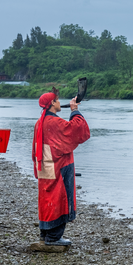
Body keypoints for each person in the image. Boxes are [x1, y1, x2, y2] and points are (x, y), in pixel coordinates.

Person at [33, 88, 91, 246]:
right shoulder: (54, 122)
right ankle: (53, 237)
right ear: (52, 103)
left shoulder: (40, 122)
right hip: (59, 165)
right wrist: (75, 111)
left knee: (47, 198)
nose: (59, 102)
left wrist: (36, 167)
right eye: (57, 100)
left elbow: (35, 148)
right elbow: (77, 130)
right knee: (60, 198)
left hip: (44, 165)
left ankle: (45, 233)